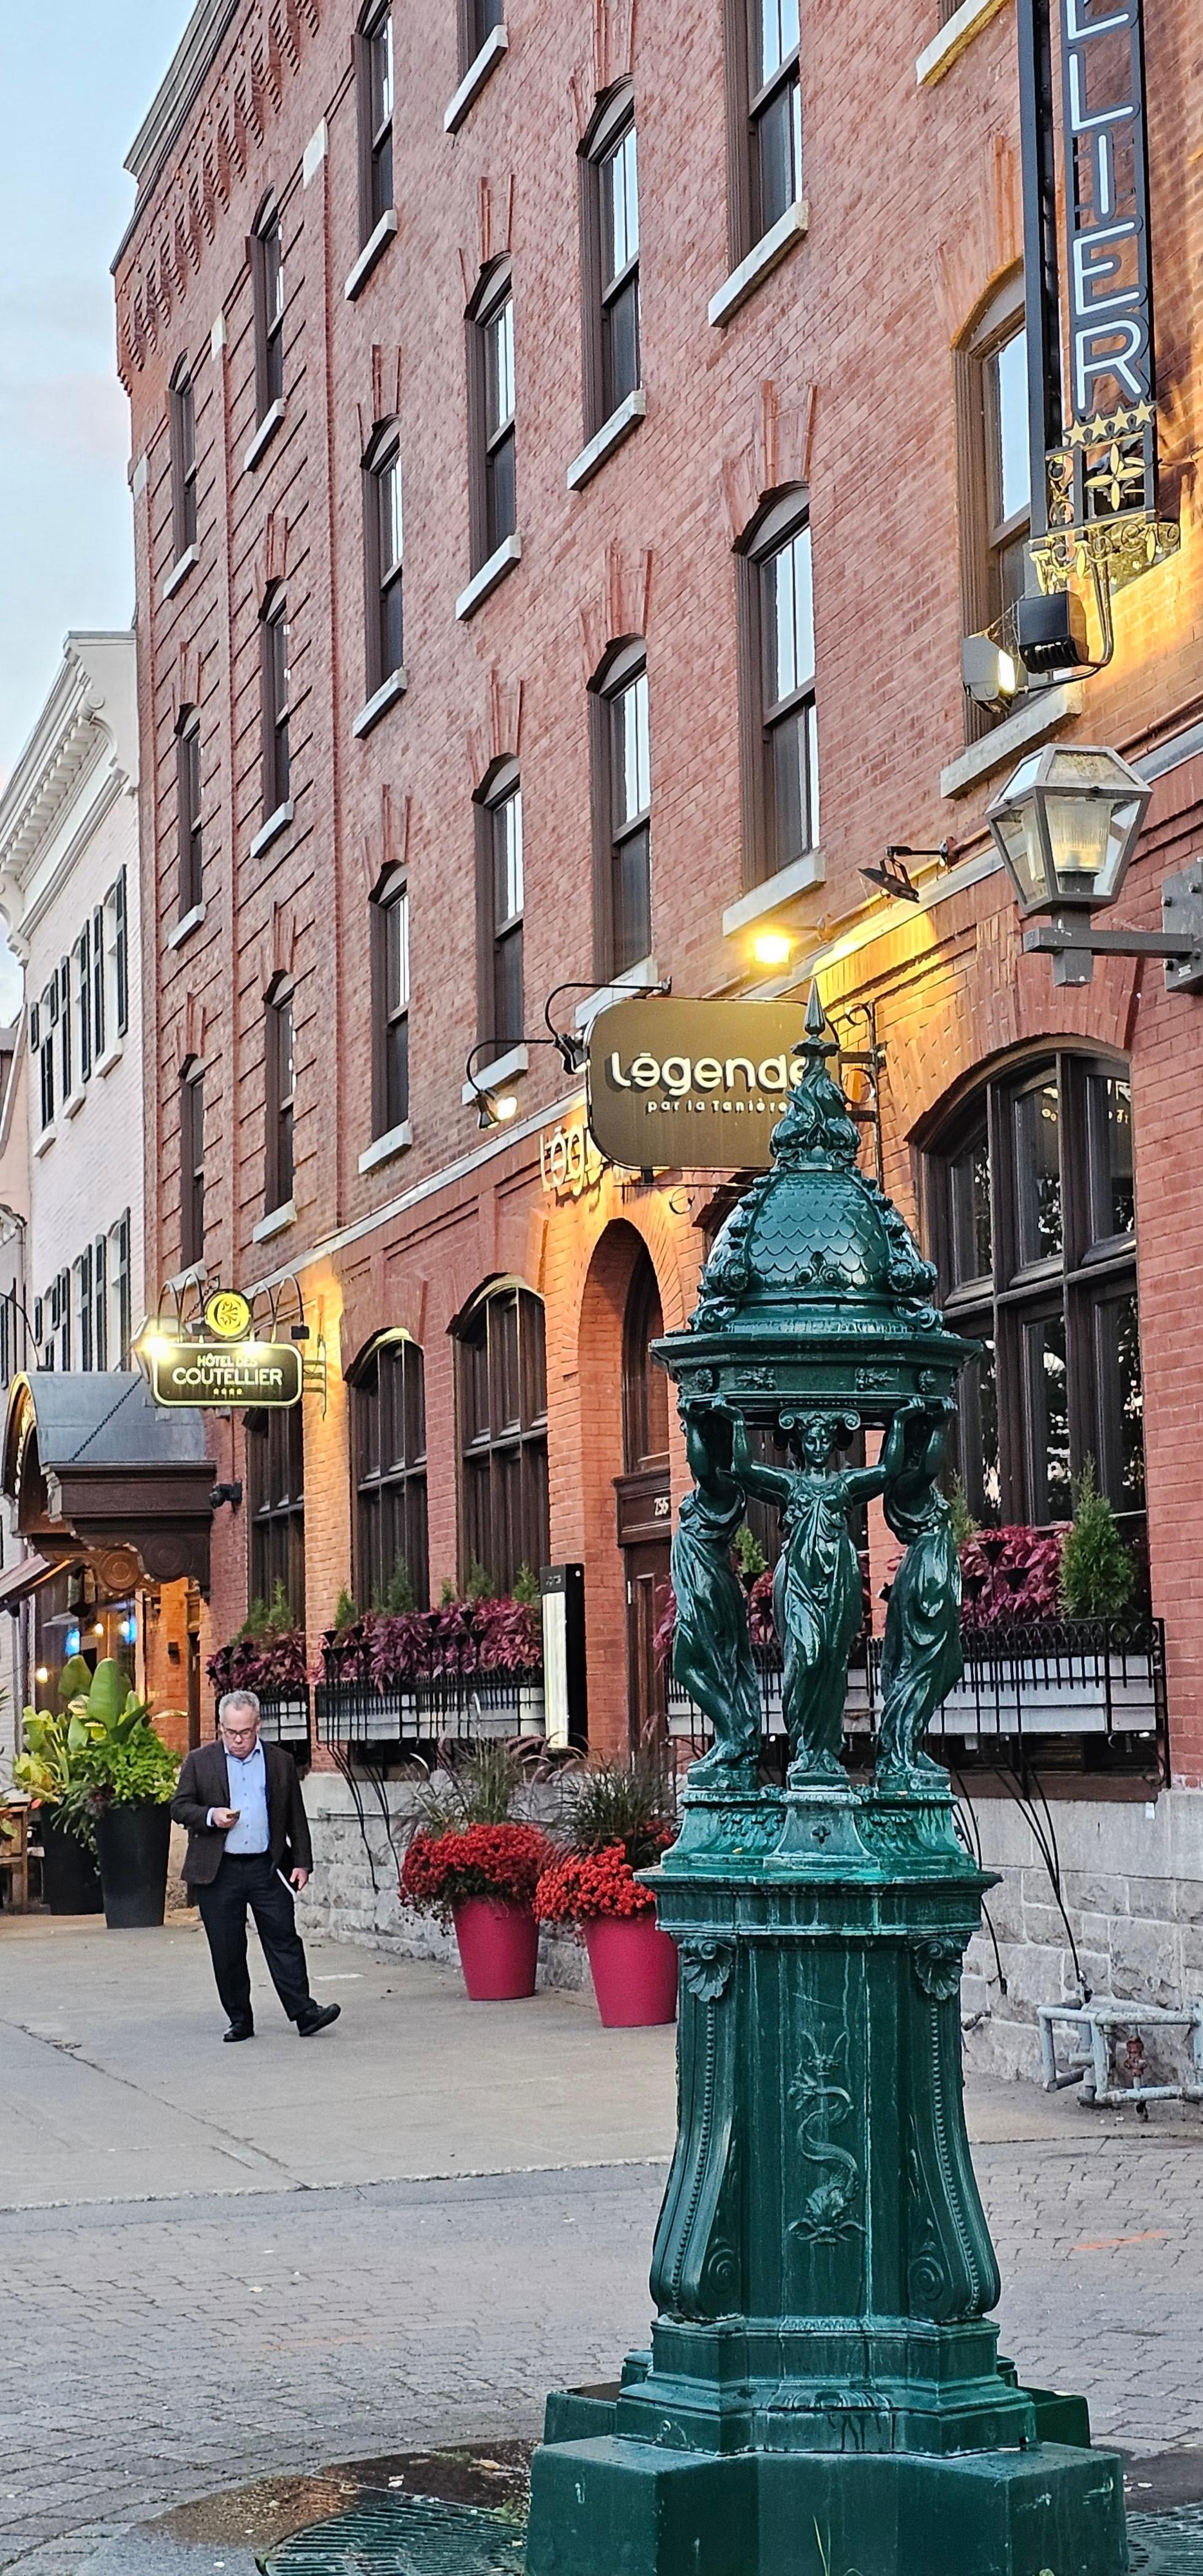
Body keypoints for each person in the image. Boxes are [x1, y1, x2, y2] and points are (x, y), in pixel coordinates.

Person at [171, 1689, 341, 2043]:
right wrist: (211, 1816)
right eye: (230, 1732)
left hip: (267, 1864)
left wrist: (303, 1863)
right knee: (228, 1948)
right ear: (220, 1727)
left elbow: (295, 1814)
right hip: (220, 1870)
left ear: (258, 1726)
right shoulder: (201, 1762)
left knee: (284, 1939)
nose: (237, 1740)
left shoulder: (279, 1761)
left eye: (245, 1732)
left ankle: (304, 2012)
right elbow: (179, 1807)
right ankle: (240, 2019)